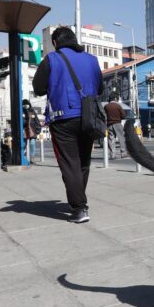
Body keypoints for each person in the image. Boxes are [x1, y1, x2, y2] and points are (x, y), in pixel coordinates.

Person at [33, 26, 103, 224]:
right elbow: (100, 87)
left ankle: (79, 208)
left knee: (69, 163)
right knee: (83, 162)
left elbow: (38, 88)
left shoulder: (52, 59)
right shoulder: (92, 59)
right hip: (88, 116)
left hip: (63, 117)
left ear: (55, 42)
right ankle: (79, 200)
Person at [103, 94, 127, 158]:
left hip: (109, 124)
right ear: (115, 99)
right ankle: (123, 153)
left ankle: (112, 154)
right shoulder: (118, 106)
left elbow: (104, 115)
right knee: (121, 138)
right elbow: (123, 115)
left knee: (111, 139)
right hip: (117, 123)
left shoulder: (106, 106)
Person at [22, 99, 42, 164]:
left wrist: (37, 131)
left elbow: (37, 122)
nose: (25, 105)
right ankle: (23, 156)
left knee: (32, 143)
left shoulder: (33, 112)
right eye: (24, 104)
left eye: (26, 104)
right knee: (23, 144)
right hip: (24, 131)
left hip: (32, 131)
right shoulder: (21, 112)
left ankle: (32, 158)